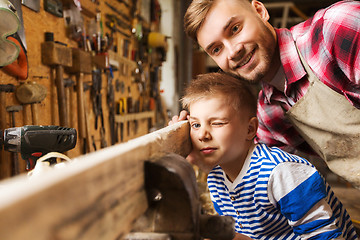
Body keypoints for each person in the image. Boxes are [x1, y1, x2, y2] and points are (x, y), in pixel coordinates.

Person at [172, 0, 360, 188]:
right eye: (216, 49)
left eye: (235, 29)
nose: (233, 51)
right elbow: (252, 177)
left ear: (260, 11)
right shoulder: (269, 112)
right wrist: (196, 145)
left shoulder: (335, 29)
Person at [181, 72, 358, 240]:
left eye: (217, 123)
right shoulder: (216, 178)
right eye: (195, 125)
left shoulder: (282, 174)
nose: (202, 135)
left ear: (250, 129)